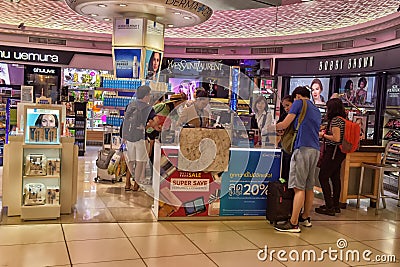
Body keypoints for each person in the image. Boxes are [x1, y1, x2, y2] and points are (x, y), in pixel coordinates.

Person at [275, 86, 321, 233]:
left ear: (298, 96)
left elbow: (284, 124)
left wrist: (269, 128)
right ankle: (305, 217)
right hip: (315, 150)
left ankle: (293, 223)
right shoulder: (316, 110)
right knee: (309, 187)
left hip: (302, 149)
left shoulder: (299, 103)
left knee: (298, 187)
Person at [122, 85, 159, 191]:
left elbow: (125, 120)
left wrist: (124, 136)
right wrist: (147, 126)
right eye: (149, 95)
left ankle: (127, 183)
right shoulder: (148, 108)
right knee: (140, 162)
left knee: (131, 161)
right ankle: (136, 185)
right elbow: (156, 121)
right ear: (146, 96)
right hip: (140, 138)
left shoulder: (130, 105)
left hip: (129, 137)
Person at [315, 98, 347, 216]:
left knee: (323, 176)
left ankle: (329, 206)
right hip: (340, 152)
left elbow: (336, 138)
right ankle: (335, 205)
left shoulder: (335, 120)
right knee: (335, 177)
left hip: (333, 151)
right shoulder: (343, 119)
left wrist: (323, 135)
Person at [276, 95, 294, 181]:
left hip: (290, 147)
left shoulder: (294, 117)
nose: (286, 108)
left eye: (288, 105)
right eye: (284, 106)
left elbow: (282, 126)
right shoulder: (284, 115)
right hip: (284, 145)